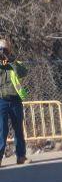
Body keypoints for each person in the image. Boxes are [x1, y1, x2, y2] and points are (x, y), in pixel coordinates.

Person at [0, 38, 29, 167]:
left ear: (9, 50)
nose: (2, 51)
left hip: (16, 100)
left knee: (18, 129)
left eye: (4, 49)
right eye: (0, 49)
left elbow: (23, 72)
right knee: (2, 130)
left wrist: (11, 61)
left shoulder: (14, 63)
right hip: (1, 101)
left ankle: (21, 156)